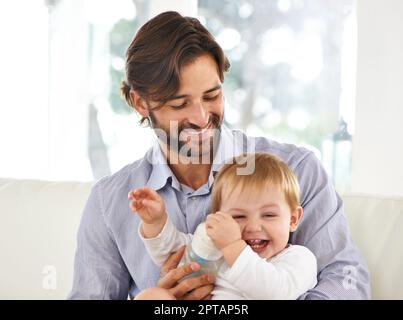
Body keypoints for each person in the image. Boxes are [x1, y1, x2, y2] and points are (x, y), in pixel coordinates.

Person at [68, 11, 370, 299]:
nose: (201, 118)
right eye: (179, 104)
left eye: (212, 96)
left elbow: (348, 281)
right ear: (140, 104)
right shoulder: (110, 203)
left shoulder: (298, 171)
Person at [132, 153, 318, 300]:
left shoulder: (299, 259)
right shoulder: (216, 249)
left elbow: (275, 294)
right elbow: (174, 253)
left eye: (269, 215)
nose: (253, 227)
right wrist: (155, 222)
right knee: (152, 296)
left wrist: (233, 246)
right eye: (238, 216)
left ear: (293, 219)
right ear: (218, 218)